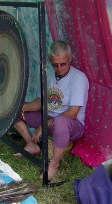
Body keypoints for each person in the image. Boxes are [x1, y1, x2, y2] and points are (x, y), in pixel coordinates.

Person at [13, 40, 89, 180]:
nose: (59, 68)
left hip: (71, 124)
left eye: (63, 64)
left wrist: (43, 126)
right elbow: (43, 101)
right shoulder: (49, 75)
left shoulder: (79, 78)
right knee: (13, 110)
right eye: (55, 65)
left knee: (60, 122)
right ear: (50, 61)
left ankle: (53, 165)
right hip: (48, 117)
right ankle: (31, 144)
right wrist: (22, 107)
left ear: (70, 59)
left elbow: (72, 113)